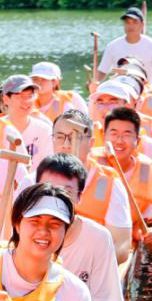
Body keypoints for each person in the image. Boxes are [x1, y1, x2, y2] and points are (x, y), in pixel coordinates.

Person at [35, 154, 125, 301]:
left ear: (79, 197)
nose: (56, 197)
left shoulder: (98, 238)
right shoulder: (21, 228)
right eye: (46, 188)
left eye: (66, 191)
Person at [49, 110, 133, 262]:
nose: (67, 145)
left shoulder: (110, 183)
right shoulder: (33, 179)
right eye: (60, 137)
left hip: (89, 266)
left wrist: (83, 264)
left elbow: (122, 245)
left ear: (91, 143)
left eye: (76, 138)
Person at [100, 106, 152, 228]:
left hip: (129, 240)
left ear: (137, 141)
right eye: (114, 134)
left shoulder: (150, 174)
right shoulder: (91, 167)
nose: (119, 141)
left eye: (127, 134)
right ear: (104, 137)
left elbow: (146, 222)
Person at [98, 7, 152, 88]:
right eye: (127, 22)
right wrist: (94, 83)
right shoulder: (112, 46)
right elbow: (102, 72)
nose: (130, 26)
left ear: (142, 24)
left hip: (147, 92)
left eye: (134, 22)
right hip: (121, 92)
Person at [0, 75, 53, 164]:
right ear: (6, 99)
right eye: (20, 96)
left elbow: (49, 165)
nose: (26, 101)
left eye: (30, 96)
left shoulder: (45, 130)